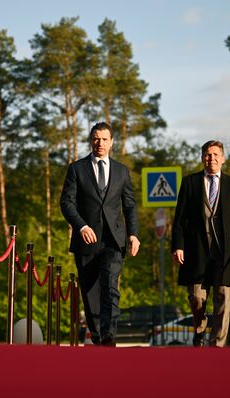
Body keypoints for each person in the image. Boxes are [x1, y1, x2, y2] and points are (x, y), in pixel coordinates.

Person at [60, 121, 140, 347]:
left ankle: (109, 335)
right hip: (86, 241)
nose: (100, 143)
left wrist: (133, 234)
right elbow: (66, 203)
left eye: (104, 139)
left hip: (114, 241)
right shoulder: (77, 169)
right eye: (96, 138)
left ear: (112, 142)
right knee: (91, 292)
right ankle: (97, 336)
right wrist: (81, 226)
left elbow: (130, 206)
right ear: (91, 140)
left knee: (110, 287)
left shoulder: (122, 171)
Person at [171, 140, 230, 347]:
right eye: (207, 154)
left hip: (226, 252)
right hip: (197, 250)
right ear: (202, 158)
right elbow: (179, 219)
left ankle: (217, 345)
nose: (211, 158)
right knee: (197, 297)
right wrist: (177, 246)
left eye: (215, 154)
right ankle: (200, 327)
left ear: (222, 158)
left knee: (224, 299)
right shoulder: (190, 183)